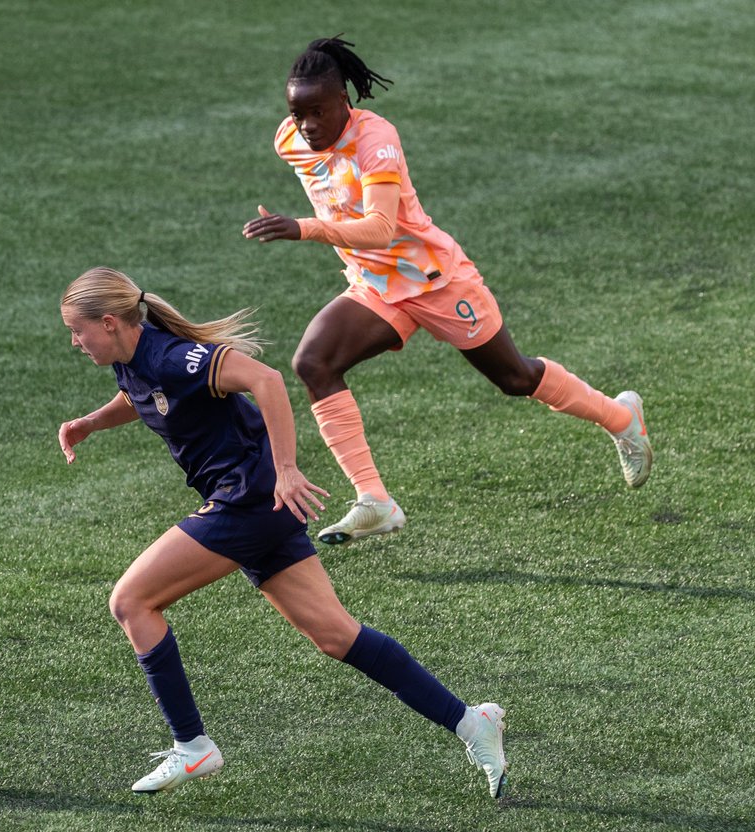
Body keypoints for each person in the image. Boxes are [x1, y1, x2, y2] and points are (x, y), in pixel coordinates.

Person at [57, 266, 509, 798]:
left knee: (131, 602)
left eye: (77, 330)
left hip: (248, 499)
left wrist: (289, 467)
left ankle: (192, 747)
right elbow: (144, 397)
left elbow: (265, 380)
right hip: (257, 504)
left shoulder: (175, 356)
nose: (74, 341)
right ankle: (472, 723)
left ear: (109, 322)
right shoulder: (134, 360)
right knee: (336, 635)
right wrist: (90, 423)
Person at [243, 36, 652, 545]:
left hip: (436, 280)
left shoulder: (377, 142)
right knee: (313, 363)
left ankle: (621, 418)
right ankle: (375, 501)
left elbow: (381, 229)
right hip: (375, 287)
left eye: (319, 112)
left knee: (515, 378)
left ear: (345, 102)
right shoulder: (291, 141)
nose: (307, 126)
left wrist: (305, 227)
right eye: (297, 112)